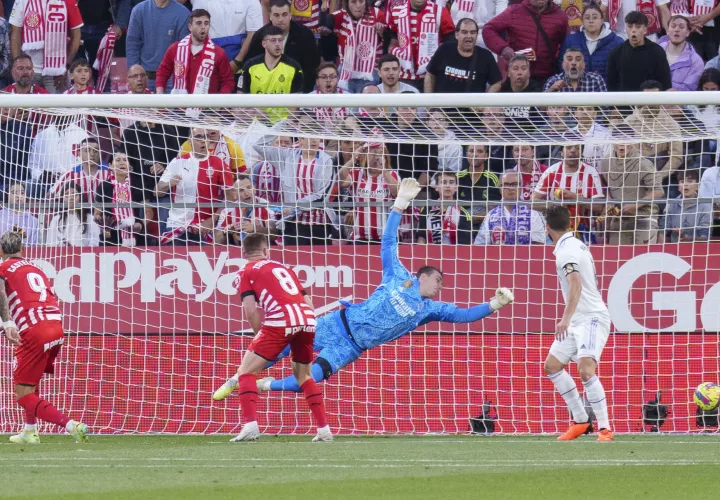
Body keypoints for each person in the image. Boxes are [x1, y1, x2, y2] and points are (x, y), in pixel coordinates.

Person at [212, 179, 515, 397]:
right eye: (438, 281)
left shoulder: (430, 309)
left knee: (306, 380)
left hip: (351, 347)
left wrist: (494, 305)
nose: (440, 288)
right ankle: (237, 378)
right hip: (336, 323)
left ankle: (263, 385)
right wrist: (399, 205)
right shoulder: (398, 275)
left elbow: (464, 316)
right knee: (276, 348)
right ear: (423, 276)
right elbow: (388, 242)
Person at [220, 232, 331, 443]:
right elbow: (308, 302)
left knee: (245, 372)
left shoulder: (245, 271)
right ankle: (324, 429)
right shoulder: (284, 268)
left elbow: (250, 309)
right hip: (307, 319)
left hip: (280, 319)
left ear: (244, 253)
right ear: (266, 251)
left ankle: (251, 426)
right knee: (304, 376)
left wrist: (258, 335)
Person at [0, 231, 89, 444]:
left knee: (22, 393)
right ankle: (30, 431)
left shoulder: (3, 268)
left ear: (1, 251)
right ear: (23, 250)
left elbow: (1, 294)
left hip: (35, 330)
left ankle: (71, 426)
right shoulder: (36, 268)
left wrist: (8, 323)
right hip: (56, 327)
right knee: (30, 382)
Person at [543, 205, 613, 442]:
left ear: (547, 227)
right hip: (577, 318)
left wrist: (565, 319)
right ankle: (581, 421)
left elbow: (575, 283)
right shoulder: (572, 245)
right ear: (570, 223)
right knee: (552, 366)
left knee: (585, 370)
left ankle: (605, 429)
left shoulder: (567, 251)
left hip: (591, 317)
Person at [253, 114, 336, 245]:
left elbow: (322, 196)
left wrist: (295, 207)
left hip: (319, 224)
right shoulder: (287, 157)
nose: (314, 141)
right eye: (309, 137)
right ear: (301, 139)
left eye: (316, 137)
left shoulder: (327, 161)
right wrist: (282, 123)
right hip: (293, 223)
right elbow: (258, 145)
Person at [156, 128, 234, 245]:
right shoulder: (177, 162)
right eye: (199, 137)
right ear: (190, 141)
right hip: (176, 224)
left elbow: (231, 198)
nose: (203, 141)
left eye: (206, 137)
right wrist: (169, 184)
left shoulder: (219, 163)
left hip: (204, 227)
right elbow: (157, 192)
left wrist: (212, 219)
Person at [482, 0, 568, 87]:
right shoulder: (513, 11)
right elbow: (488, 29)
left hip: (548, 78)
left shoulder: (560, 16)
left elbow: (566, 45)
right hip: (517, 77)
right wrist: (503, 48)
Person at [9, 0, 84, 93]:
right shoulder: (23, 1)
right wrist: (18, 66)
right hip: (28, 70)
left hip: (57, 72)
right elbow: (15, 34)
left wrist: (65, 67)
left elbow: (76, 36)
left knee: (55, 106)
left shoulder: (68, 1)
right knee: (24, 106)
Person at [245, 0, 319, 93]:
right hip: (263, 90)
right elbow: (250, 66)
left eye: (284, 15)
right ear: (270, 16)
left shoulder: (305, 35)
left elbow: (311, 69)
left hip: (296, 91)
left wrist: (301, 96)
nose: (280, 19)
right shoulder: (260, 36)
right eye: (276, 15)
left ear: (290, 15)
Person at [598, 140, 664, 244]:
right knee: (616, 257)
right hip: (619, 217)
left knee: (642, 257)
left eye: (626, 141)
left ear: (632, 143)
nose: (621, 144)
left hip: (644, 217)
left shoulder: (643, 164)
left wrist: (635, 204)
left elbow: (659, 191)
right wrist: (609, 202)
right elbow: (606, 186)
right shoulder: (606, 162)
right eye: (619, 141)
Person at [154, 9, 234, 95]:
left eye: (206, 23)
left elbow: (228, 81)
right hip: (180, 106)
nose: (203, 27)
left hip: (207, 107)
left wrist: (219, 103)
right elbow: (162, 72)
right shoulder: (175, 49)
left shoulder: (218, 53)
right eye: (199, 23)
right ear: (190, 27)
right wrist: (159, 93)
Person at [386, 0, 456, 91]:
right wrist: (394, 51)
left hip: (430, 75)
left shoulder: (440, 12)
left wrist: (436, 60)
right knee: (404, 105)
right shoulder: (396, 12)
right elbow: (392, 40)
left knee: (429, 104)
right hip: (404, 74)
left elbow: (449, 42)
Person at [338, 141, 399, 244]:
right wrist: (353, 159)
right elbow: (341, 180)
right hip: (360, 238)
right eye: (373, 153)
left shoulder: (392, 175)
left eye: (380, 153)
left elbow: (398, 193)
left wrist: (384, 170)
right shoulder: (357, 174)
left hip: (386, 237)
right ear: (365, 156)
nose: (376, 157)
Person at [239, 26, 303, 123]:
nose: (278, 44)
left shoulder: (294, 68)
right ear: (264, 43)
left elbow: (296, 101)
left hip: (283, 126)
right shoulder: (250, 66)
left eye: (280, 40)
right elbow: (241, 98)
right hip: (255, 125)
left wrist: (287, 125)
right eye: (273, 40)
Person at [425, 18, 502, 94]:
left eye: (472, 32)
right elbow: (430, 75)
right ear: (456, 35)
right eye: (464, 32)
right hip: (442, 105)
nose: (469, 36)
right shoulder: (444, 49)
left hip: (472, 106)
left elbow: (497, 83)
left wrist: (483, 103)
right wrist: (428, 103)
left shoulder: (486, 56)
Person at [126, 0, 190, 91]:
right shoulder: (138, 11)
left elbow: (184, 51)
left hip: (172, 77)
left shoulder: (183, 14)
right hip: (144, 77)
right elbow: (132, 45)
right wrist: (135, 76)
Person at [474, 171, 547, 245]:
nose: (510, 188)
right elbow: (480, 245)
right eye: (506, 185)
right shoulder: (491, 216)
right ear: (500, 188)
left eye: (515, 184)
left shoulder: (533, 214)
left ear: (521, 187)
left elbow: (540, 245)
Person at [606, 11, 672, 92]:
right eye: (630, 27)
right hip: (624, 102)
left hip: (650, 102)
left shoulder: (657, 51)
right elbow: (611, 85)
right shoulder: (616, 53)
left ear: (645, 29)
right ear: (625, 28)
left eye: (638, 27)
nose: (633, 30)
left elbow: (665, 83)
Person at [558, 4, 623, 84]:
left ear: (602, 20)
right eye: (587, 18)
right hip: (578, 90)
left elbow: (622, 71)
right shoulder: (571, 40)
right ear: (582, 20)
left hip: (607, 92)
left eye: (595, 17)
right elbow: (562, 65)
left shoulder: (617, 42)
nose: (591, 21)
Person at [94, 152, 147, 247]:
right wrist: (104, 226)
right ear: (110, 166)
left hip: (136, 235)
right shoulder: (104, 186)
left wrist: (141, 224)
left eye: (125, 160)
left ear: (129, 165)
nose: (121, 163)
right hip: (111, 236)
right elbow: (97, 214)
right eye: (118, 160)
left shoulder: (139, 185)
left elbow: (149, 211)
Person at [332, 0, 384, 93]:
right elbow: (326, 20)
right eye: (353, 2)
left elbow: (388, 38)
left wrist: (382, 31)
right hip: (345, 69)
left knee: (366, 105)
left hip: (370, 70)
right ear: (347, 4)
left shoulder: (377, 14)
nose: (358, 6)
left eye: (361, 2)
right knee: (346, 105)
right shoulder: (341, 16)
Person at [192, 0, 263, 65]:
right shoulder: (200, 2)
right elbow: (198, 33)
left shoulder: (251, 1)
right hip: (210, 57)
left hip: (243, 57)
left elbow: (253, 34)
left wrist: (237, 61)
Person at [213, 174, 277, 246]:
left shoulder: (266, 205)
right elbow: (216, 241)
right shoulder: (228, 211)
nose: (247, 193)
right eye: (241, 190)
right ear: (235, 195)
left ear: (254, 189)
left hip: (264, 250)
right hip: (238, 251)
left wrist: (254, 228)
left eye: (249, 188)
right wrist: (226, 232)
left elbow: (274, 235)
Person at [416, 171, 473, 244]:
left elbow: (464, 244)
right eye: (444, 182)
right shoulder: (426, 209)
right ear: (436, 187)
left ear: (456, 187)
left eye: (451, 182)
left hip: (455, 254)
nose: (448, 186)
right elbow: (421, 238)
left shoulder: (463, 213)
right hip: (429, 253)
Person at [48, 137, 111, 202]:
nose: (92, 154)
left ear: (99, 153)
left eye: (95, 151)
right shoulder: (70, 175)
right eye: (87, 150)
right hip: (77, 211)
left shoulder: (109, 174)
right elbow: (50, 196)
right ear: (79, 153)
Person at [456, 144, 501, 227]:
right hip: (460, 225)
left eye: (479, 151)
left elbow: (493, 211)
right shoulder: (458, 178)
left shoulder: (493, 178)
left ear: (486, 156)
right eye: (471, 151)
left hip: (486, 225)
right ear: (466, 154)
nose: (475, 154)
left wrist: (468, 219)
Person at [657, 15, 704, 91]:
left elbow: (689, 90)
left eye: (681, 27)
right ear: (667, 31)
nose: (677, 30)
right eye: (673, 26)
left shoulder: (696, 61)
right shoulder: (655, 51)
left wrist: (663, 83)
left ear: (688, 32)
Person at [664, 169, 712, 242]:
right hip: (674, 250)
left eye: (690, 181)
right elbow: (664, 229)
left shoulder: (706, 206)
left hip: (698, 249)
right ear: (678, 187)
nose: (686, 184)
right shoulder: (671, 204)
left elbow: (705, 237)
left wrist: (687, 239)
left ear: (697, 186)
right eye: (682, 182)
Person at [600, 0, 669, 41]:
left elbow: (664, 11)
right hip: (621, 36)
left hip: (648, 36)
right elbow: (603, 11)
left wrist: (669, 33)